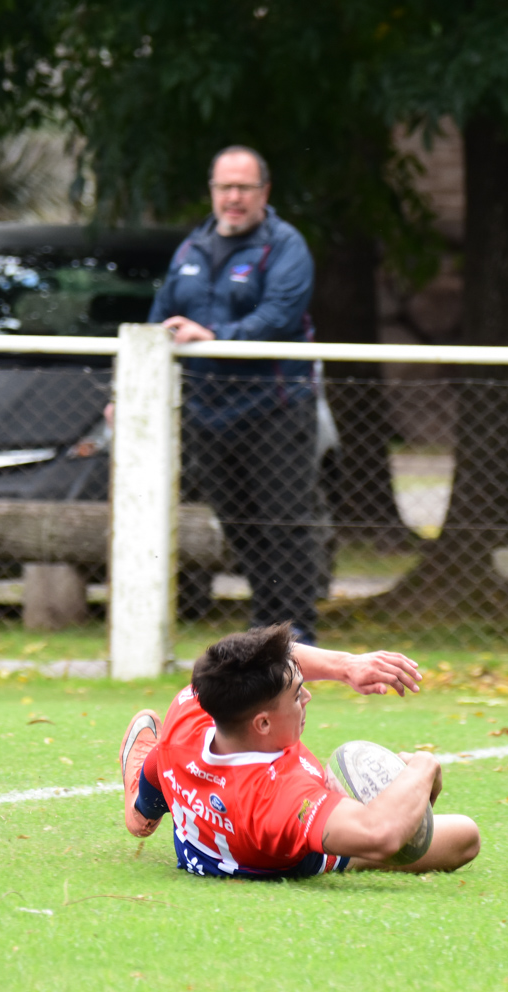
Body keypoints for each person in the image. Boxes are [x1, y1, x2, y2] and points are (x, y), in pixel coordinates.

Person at [118, 623, 480, 879]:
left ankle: (141, 806)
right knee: (464, 834)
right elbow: (380, 835)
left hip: (199, 830)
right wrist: (424, 765)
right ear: (262, 724)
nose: (307, 696)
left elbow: (254, 655)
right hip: (282, 857)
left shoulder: (194, 705)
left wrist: (346, 666)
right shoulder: (284, 797)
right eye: (296, 694)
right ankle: (143, 804)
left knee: (165, 753)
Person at [149, 145, 323, 643]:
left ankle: (298, 638)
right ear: (212, 191)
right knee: (240, 525)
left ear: (264, 192)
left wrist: (215, 337)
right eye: (225, 187)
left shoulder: (286, 246)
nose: (234, 197)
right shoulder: (191, 249)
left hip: (275, 409)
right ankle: (266, 631)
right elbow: (159, 319)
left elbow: (277, 319)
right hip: (209, 413)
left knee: (284, 525)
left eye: (244, 187)